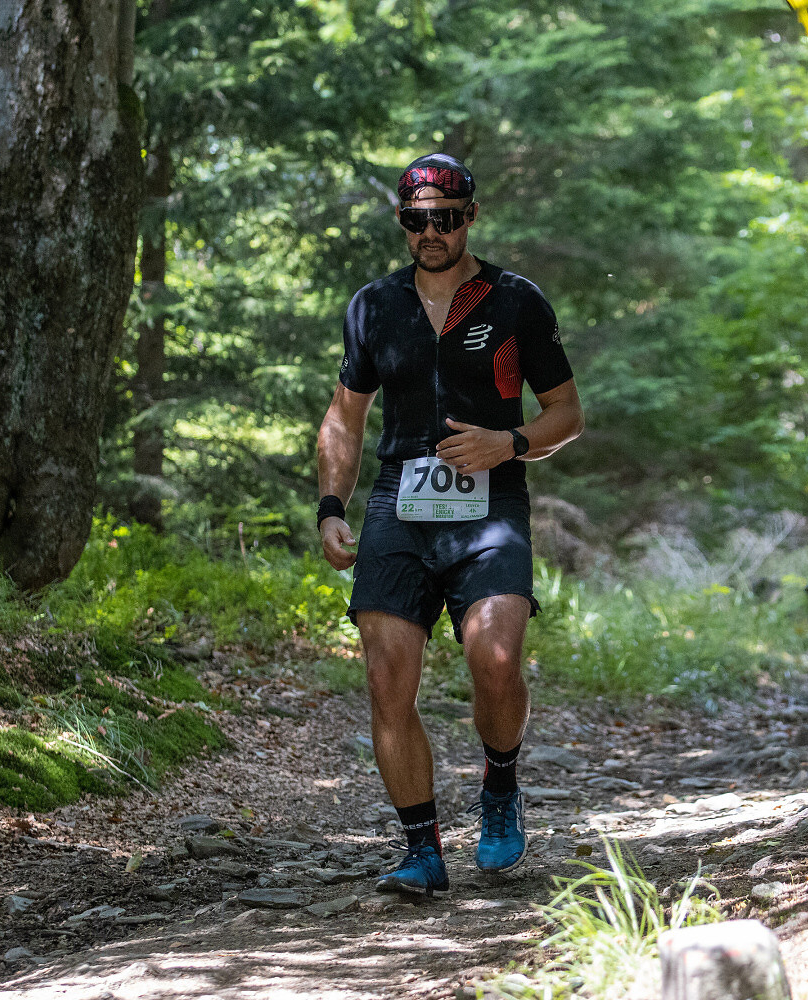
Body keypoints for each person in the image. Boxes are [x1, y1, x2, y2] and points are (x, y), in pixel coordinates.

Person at [315, 153, 583, 896]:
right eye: (415, 220)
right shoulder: (374, 305)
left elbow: (567, 413)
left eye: (444, 218)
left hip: (491, 499)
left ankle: (500, 785)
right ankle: (421, 850)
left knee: (495, 660)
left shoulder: (515, 300)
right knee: (386, 679)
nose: (429, 232)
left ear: (470, 216)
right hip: (398, 502)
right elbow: (344, 418)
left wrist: (511, 442)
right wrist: (331, 507)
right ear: (402, 222)